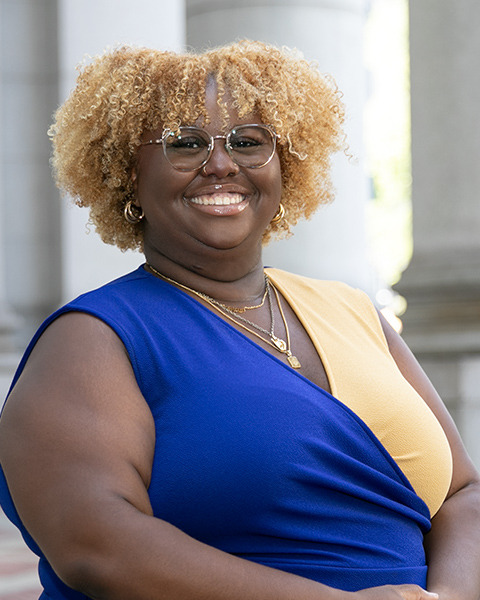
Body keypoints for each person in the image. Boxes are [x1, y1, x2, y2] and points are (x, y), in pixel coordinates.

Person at [0, 40, 479, 600]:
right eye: (185, 143)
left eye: (248, 142)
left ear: (286, 166)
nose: (221, 164)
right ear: (128, 173)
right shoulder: (91, 339)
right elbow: (96, 546)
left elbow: (461, 493)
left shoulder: (352, 310)